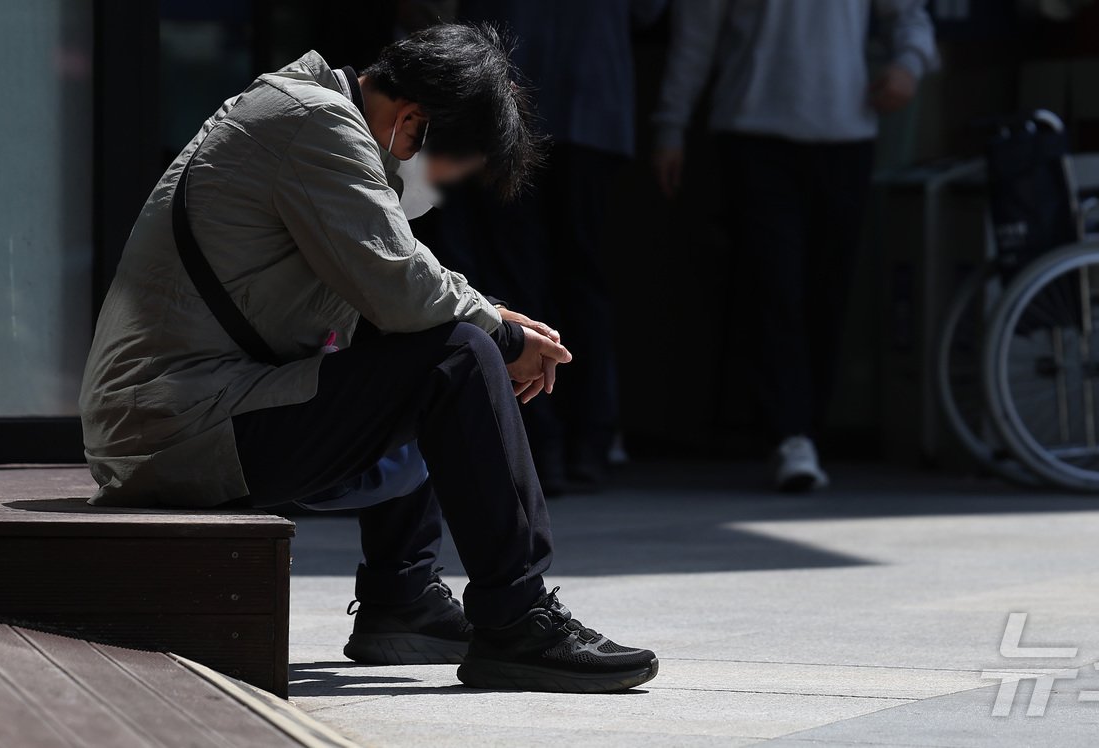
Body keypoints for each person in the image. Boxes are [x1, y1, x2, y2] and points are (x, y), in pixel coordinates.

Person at [79, 24, 658, 694]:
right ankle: (517, 618)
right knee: (459, 355)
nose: (434, 189)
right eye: (446, 170)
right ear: (412, 122)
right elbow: (403, 288)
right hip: (175, 430)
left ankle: (403, 597)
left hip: (183, 413)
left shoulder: (306, 111)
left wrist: (492, 317)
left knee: (435, 341)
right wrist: (501, 337)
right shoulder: (315, 126)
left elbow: (391, 293)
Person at [652, 0, 938, 492]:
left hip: (845, 133)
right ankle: (789, 434)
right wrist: (670, 125)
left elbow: (909, 14)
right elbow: (695, 37)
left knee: (828, 291)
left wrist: (907, 65)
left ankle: (805, 430)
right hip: (752, 130)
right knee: (772, 285)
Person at [423, 0, 666, 494]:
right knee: (577, 276)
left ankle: (545, 443)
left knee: (523, 274)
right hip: (582, 105)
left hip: (522, 102)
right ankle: (584, 441)